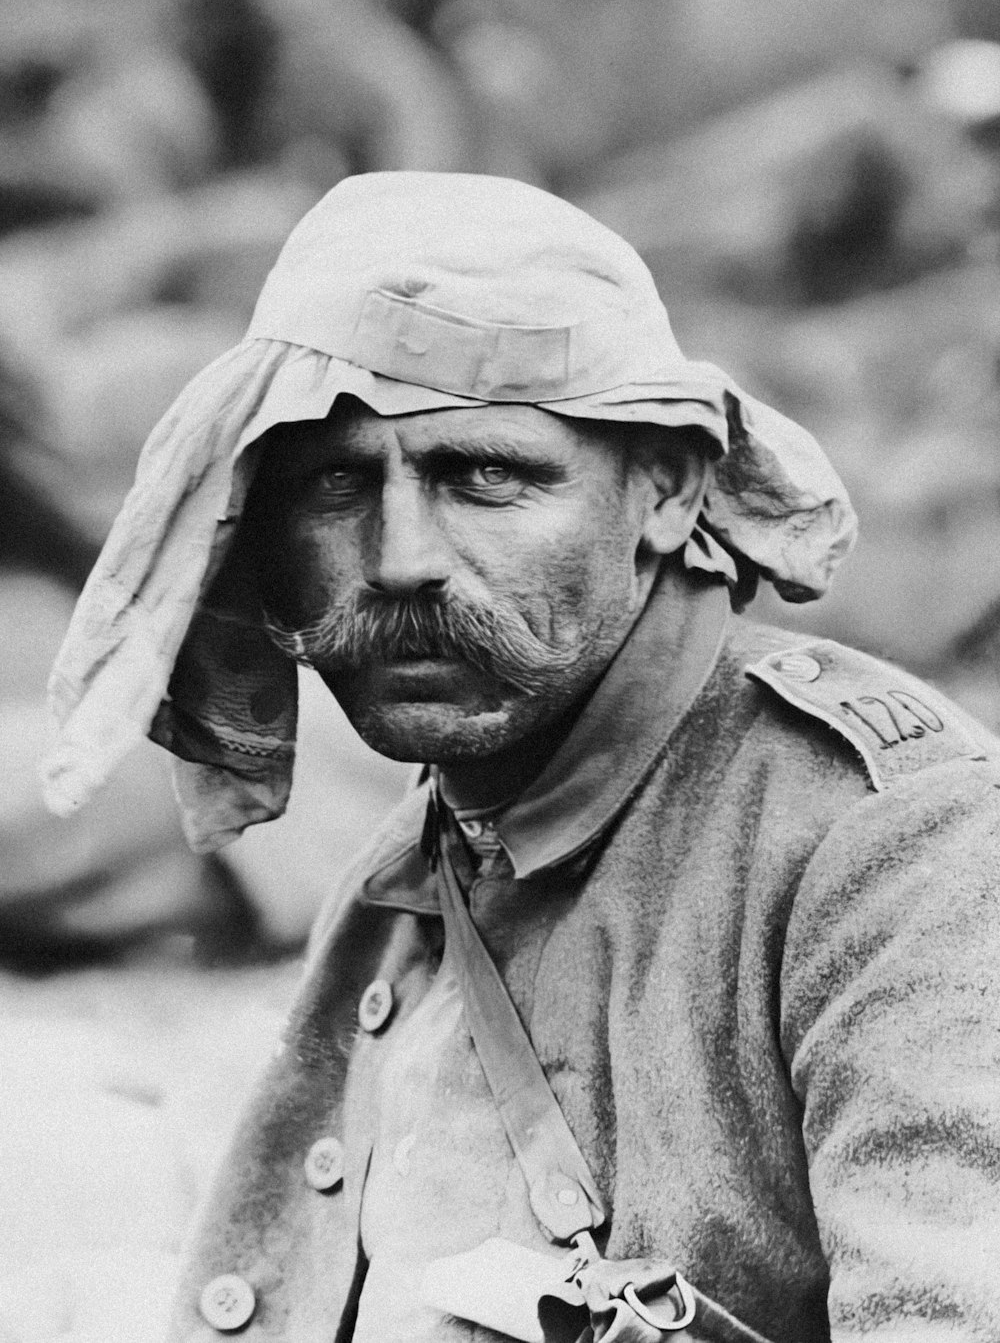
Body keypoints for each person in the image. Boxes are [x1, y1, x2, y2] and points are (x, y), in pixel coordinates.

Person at [45, 173, 1000, 1342]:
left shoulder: (892, 847)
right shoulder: (415, 868)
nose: (400, 559)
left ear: (668, 486)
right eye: (334, 484)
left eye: (484, 474)